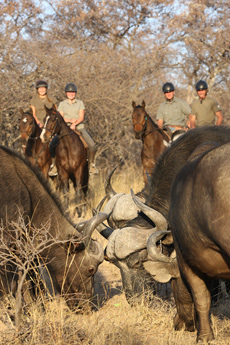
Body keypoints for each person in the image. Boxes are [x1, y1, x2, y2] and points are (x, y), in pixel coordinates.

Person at [57, 83, 98, 175]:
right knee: (52, 145)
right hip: (65, 128)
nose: (71, 94)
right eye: (69, 92)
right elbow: (60, 117)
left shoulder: (80, 103)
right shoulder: (62, 104)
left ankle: (92, 165)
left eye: (73, 92)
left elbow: (81, 117)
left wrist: (74, 124)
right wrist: (69, 121)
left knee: (92, 146)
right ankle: (54, 166)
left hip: (79, 127)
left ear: (75, 93)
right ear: (66, 93)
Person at [30, 79, 58, 176]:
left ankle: (54, 164)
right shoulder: (33, 100)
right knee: (27, 138)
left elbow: (55, 112)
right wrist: (38, 123)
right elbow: (33, 114)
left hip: (49, 125)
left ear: (46, 89)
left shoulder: (51, 99)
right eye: (40, 88)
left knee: (55, 142)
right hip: (38, 124)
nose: (42, 90)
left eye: (43, 88)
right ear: (37, 90)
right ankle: (27, 158)